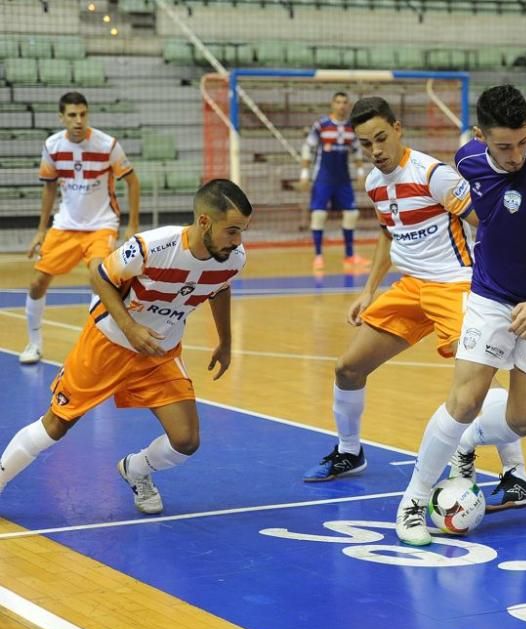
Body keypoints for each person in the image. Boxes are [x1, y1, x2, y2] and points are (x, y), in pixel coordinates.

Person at [302, 97, 526, 513]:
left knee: (476, 385)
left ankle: (516, 475)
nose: (375, 150)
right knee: (348, 367)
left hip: (456, 285)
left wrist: (508, 280)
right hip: (410, 287)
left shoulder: (434, 175)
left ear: (397, 129)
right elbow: (387, 233)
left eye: (380, 138)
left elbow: (488, 224)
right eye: (365, 143)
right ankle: (350, 451)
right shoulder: (375, 182)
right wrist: (369, 290)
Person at [395, 84, 526, 545]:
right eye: (504, 145)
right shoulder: (466, 161)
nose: (516, 153)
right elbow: (485, 215)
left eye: (523, 141)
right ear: (480, 136)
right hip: (491, 296)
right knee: (462, 399)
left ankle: (470, 438)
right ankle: (413, 502)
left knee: (524, 421)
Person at [0, 180, 253, 515]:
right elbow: (101, 278)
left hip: (159, 354)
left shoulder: (232, 258)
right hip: (107, 344)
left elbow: (219, 289)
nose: (237, 241)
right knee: (57, 424)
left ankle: (136, 469)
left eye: (242, 232)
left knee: (186, 441)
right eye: (232, 231)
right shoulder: (153, 246)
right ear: (204, 221)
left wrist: (226, 341)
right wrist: (131, 328)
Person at [20, 91, 141, 365]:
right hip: (65, 225)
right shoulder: (52, 146)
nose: (78, 120)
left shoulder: (107, 145)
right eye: (72, 115)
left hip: (101, 224)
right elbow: (49, 189)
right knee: (37, 282)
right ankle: (34, 344)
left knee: (98, 279)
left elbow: (133, 182)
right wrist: (41, 230)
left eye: (83, 114)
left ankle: (96, 350)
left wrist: (132, 225)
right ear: (61, 117)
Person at [298, 91, 370, 273]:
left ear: (348, 105)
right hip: (323, 178)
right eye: (338, 102)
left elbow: (356, 151)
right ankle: (318, 256)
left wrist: (361, 173)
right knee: (319, 215)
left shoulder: (351, 127)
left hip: (343, 179)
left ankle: (350, 255)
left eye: (345, 102)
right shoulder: (321, 125)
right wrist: (305, 175)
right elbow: (308, 148)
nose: (341, 105)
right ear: (332, 104)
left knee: (352, 214)